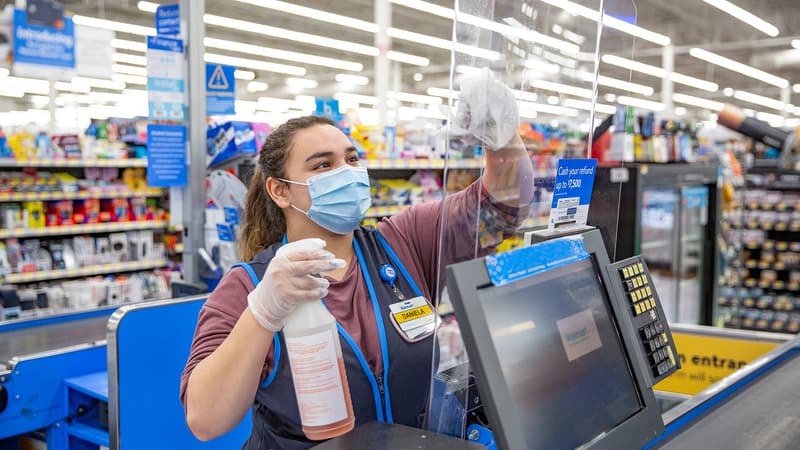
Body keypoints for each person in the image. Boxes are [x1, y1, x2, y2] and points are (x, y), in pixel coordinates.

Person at [180, 72, 534, 449]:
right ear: (280, 191)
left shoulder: (403, 241)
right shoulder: (250, 286)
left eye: (351, 159)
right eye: (323, 165)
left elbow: (502, 209)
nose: (346, 172)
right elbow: (205, 419)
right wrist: (263, 313)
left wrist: (503, 139)